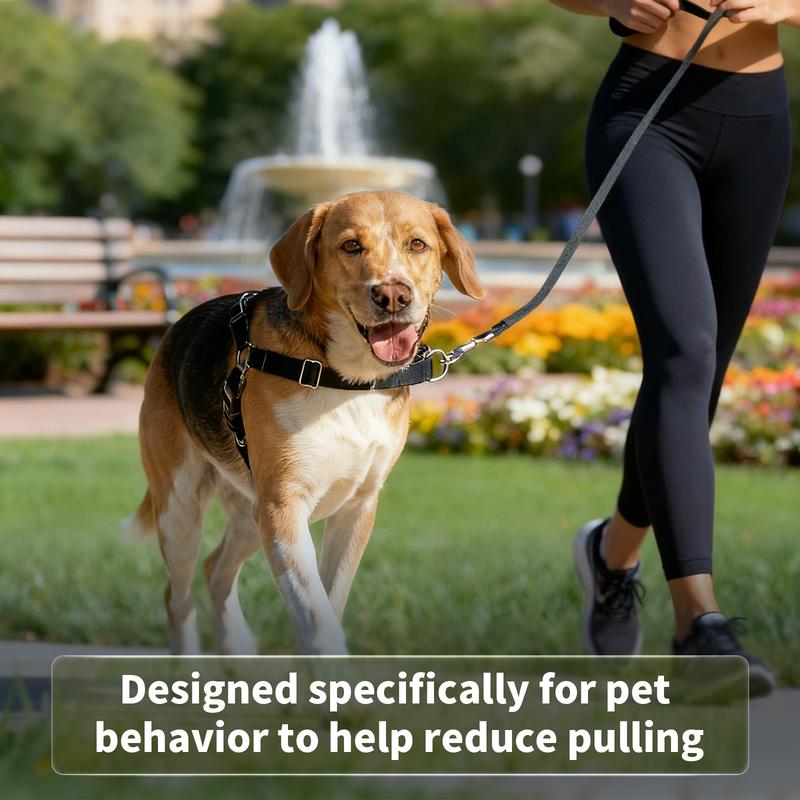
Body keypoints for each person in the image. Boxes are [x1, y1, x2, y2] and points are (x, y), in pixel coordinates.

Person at [550, 0, 799, 695]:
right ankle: (700, 627)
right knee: (684, 355)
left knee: (700, 377)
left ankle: (612, 553)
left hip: (758, 121)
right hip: (647, 110)